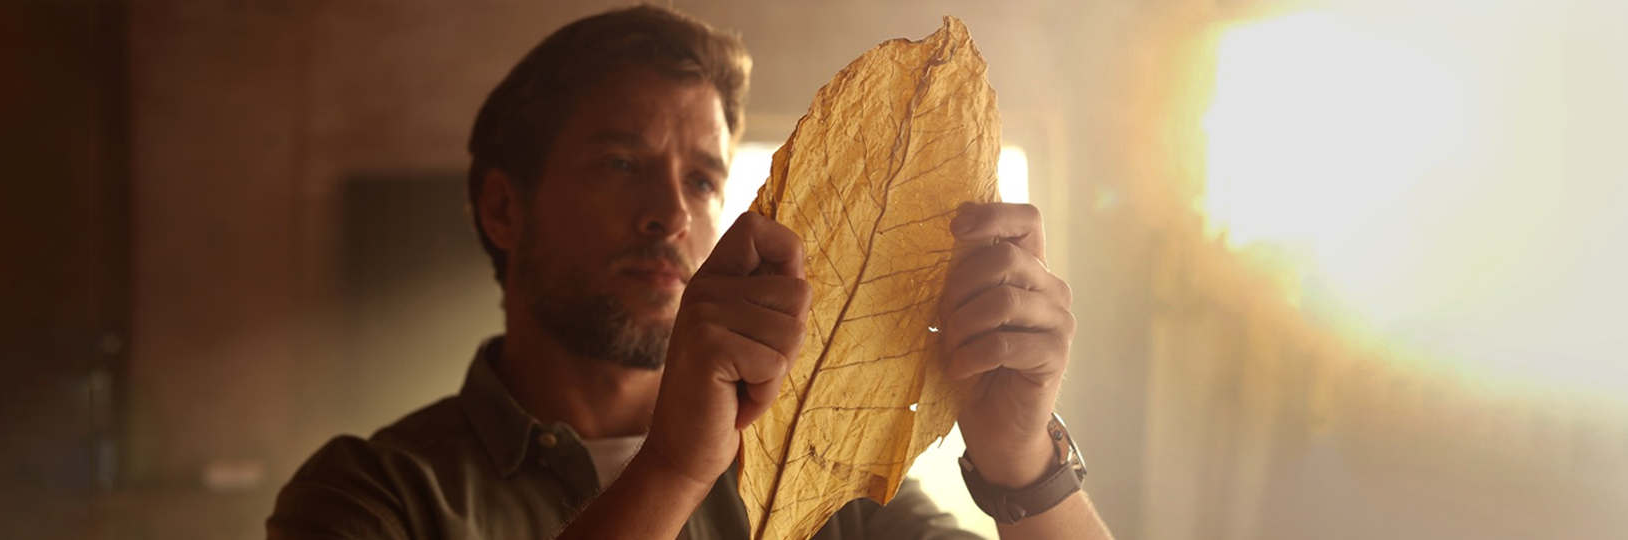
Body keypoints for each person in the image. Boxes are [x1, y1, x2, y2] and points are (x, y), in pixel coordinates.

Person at [267, 6, 1113, 540]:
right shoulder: (371, 495)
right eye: (619, 163)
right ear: (503, 210)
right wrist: (671, 468)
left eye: (702, 179)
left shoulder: (818, 470)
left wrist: (1019, 457)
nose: (670, 214)